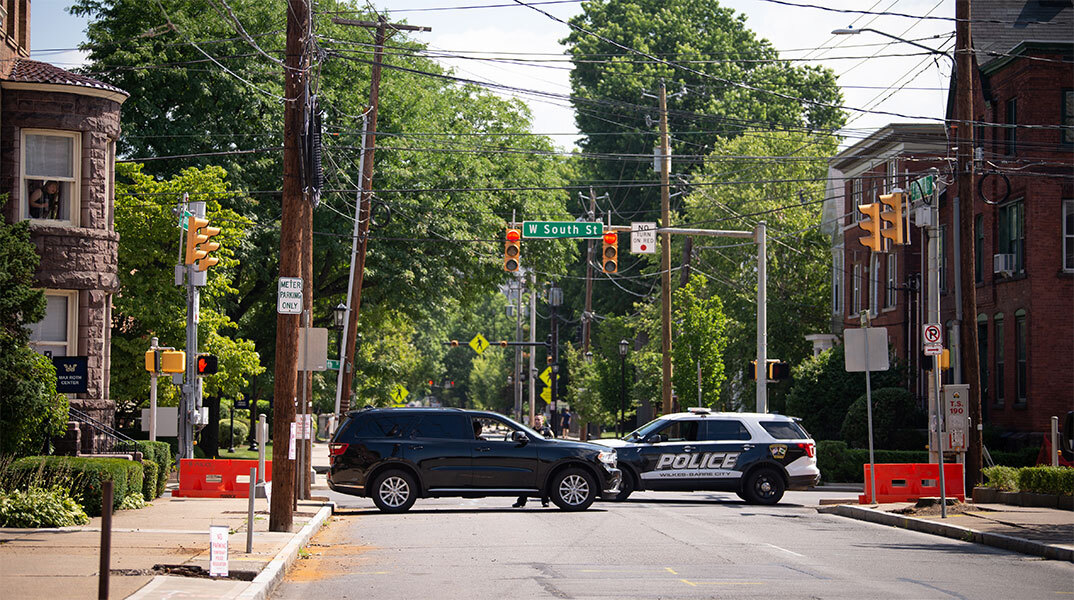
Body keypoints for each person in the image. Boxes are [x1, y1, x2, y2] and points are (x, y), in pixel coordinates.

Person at [514, 415, 549, 508]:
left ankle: (545, 501)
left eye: (538, 420)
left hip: (543, 458)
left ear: (542, 421)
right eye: (535, 419)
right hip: (533, 458)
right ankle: (521, 501)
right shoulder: (530, 431)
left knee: (543, 479)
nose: (537, 421)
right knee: (527, 480)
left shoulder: (547, 431)